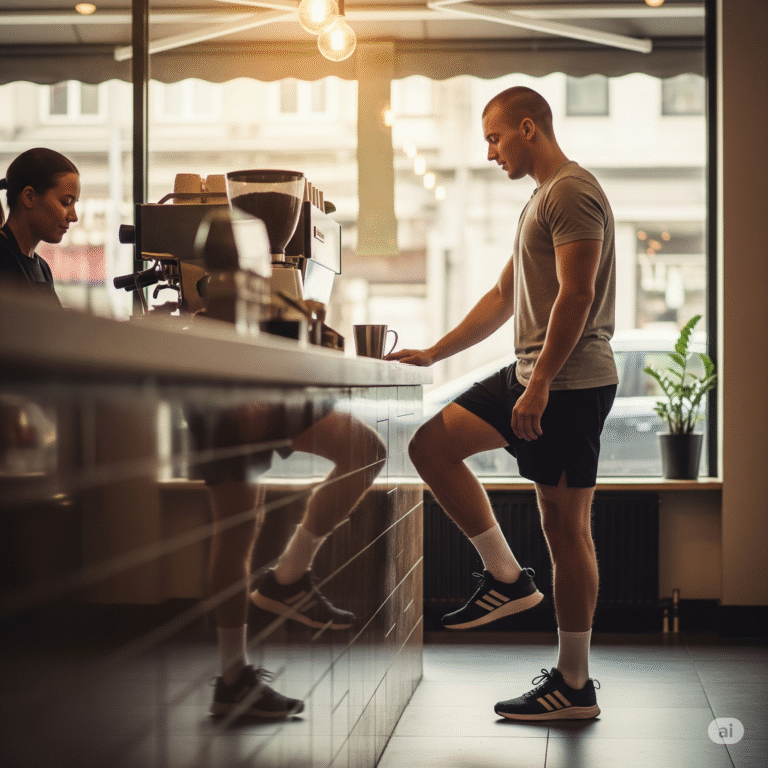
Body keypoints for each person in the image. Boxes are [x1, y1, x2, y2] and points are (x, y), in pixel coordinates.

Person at [387, 86, 618, 721]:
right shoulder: (540, 202)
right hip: (533, 373)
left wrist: (540, 382)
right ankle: (507, 579)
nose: (490, 153)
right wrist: (434, 353)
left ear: (527, 128)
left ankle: (574, 686)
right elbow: (501, 296)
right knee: (430, 446)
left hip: (568, 382)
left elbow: (577, 293)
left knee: (566, 529)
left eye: (495, 139)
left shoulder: (571, 192)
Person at [189, 398, 386, 719]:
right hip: (229, 394)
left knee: (365, 451)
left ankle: (287, 581)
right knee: (237, 530)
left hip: (261, 385)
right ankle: (234, 676)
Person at [0, 147, 80, 306]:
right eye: (65, 203)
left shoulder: (42, 268)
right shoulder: (3, 258)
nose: (74, 217)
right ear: (29, 197)